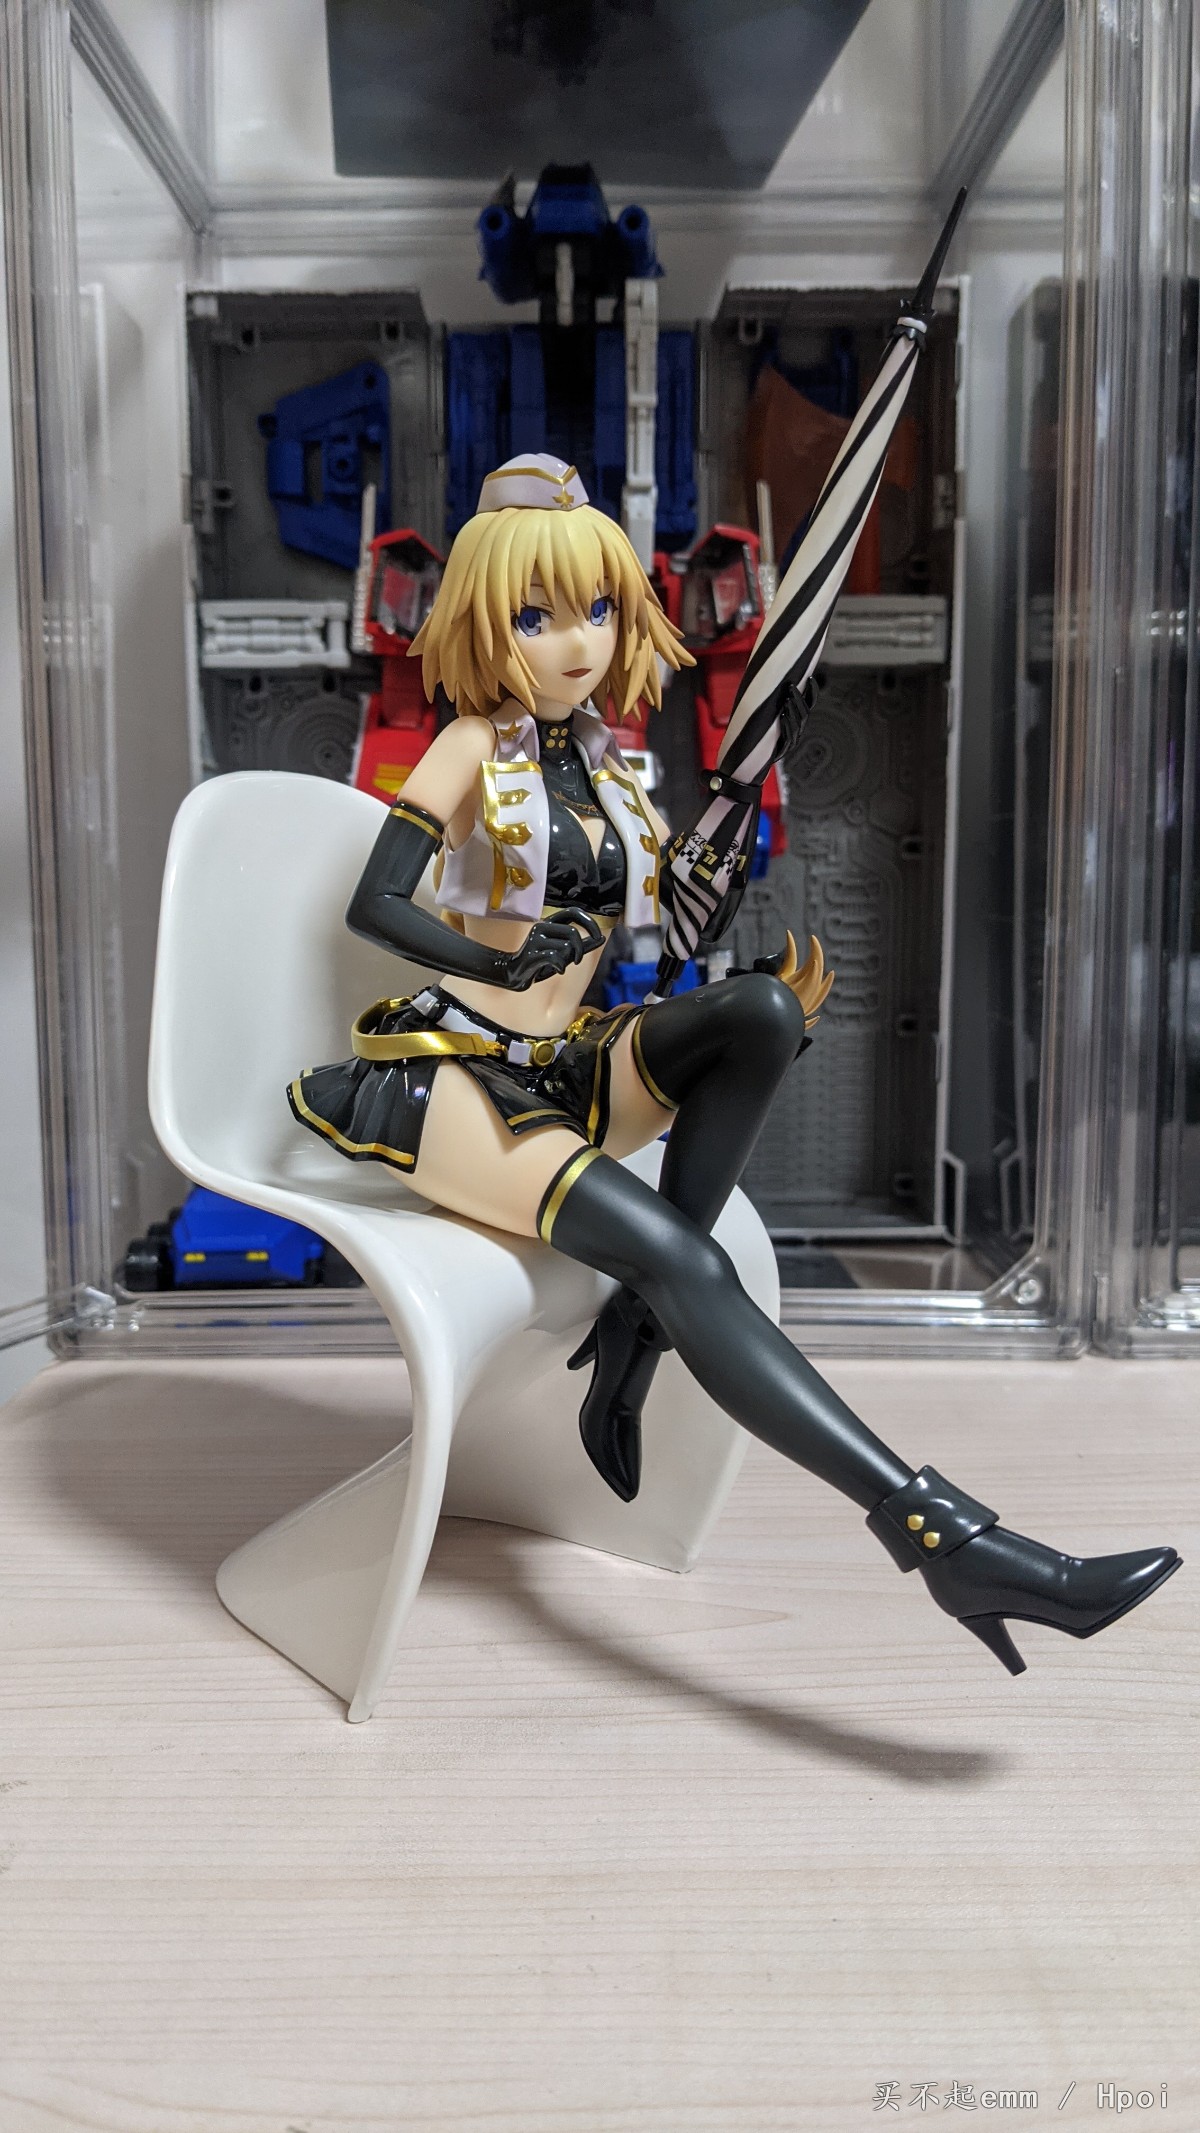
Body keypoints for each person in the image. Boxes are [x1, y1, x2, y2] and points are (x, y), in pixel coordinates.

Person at [288, 453, 1179, 1677]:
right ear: (487, 621)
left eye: (599, 610)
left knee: (760, 1011)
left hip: (564, 1066)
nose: (578, 643)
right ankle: (946, 1537)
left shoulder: (607, 766)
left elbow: (657, 925)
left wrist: (712, 850)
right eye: (539, 618)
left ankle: (639, 1325)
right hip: (459, 1076)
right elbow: (374, 905)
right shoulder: (464, 748)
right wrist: (491, 956)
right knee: (692, 1258)